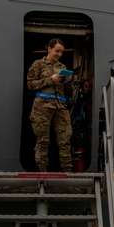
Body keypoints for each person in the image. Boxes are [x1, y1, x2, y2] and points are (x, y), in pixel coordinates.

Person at [26, 38, 74, 172]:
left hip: (60, 106)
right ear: (49, 49)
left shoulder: (62, 67)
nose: (59, 54)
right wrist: (50, 80)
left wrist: (68, 81)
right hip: (42, 106)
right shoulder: (38, 64)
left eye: (62, 52)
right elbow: (30, 84)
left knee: (65, 140)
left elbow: (67, 91)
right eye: (57, 51)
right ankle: (43, 172)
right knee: (43, 140)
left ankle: (68, 172)